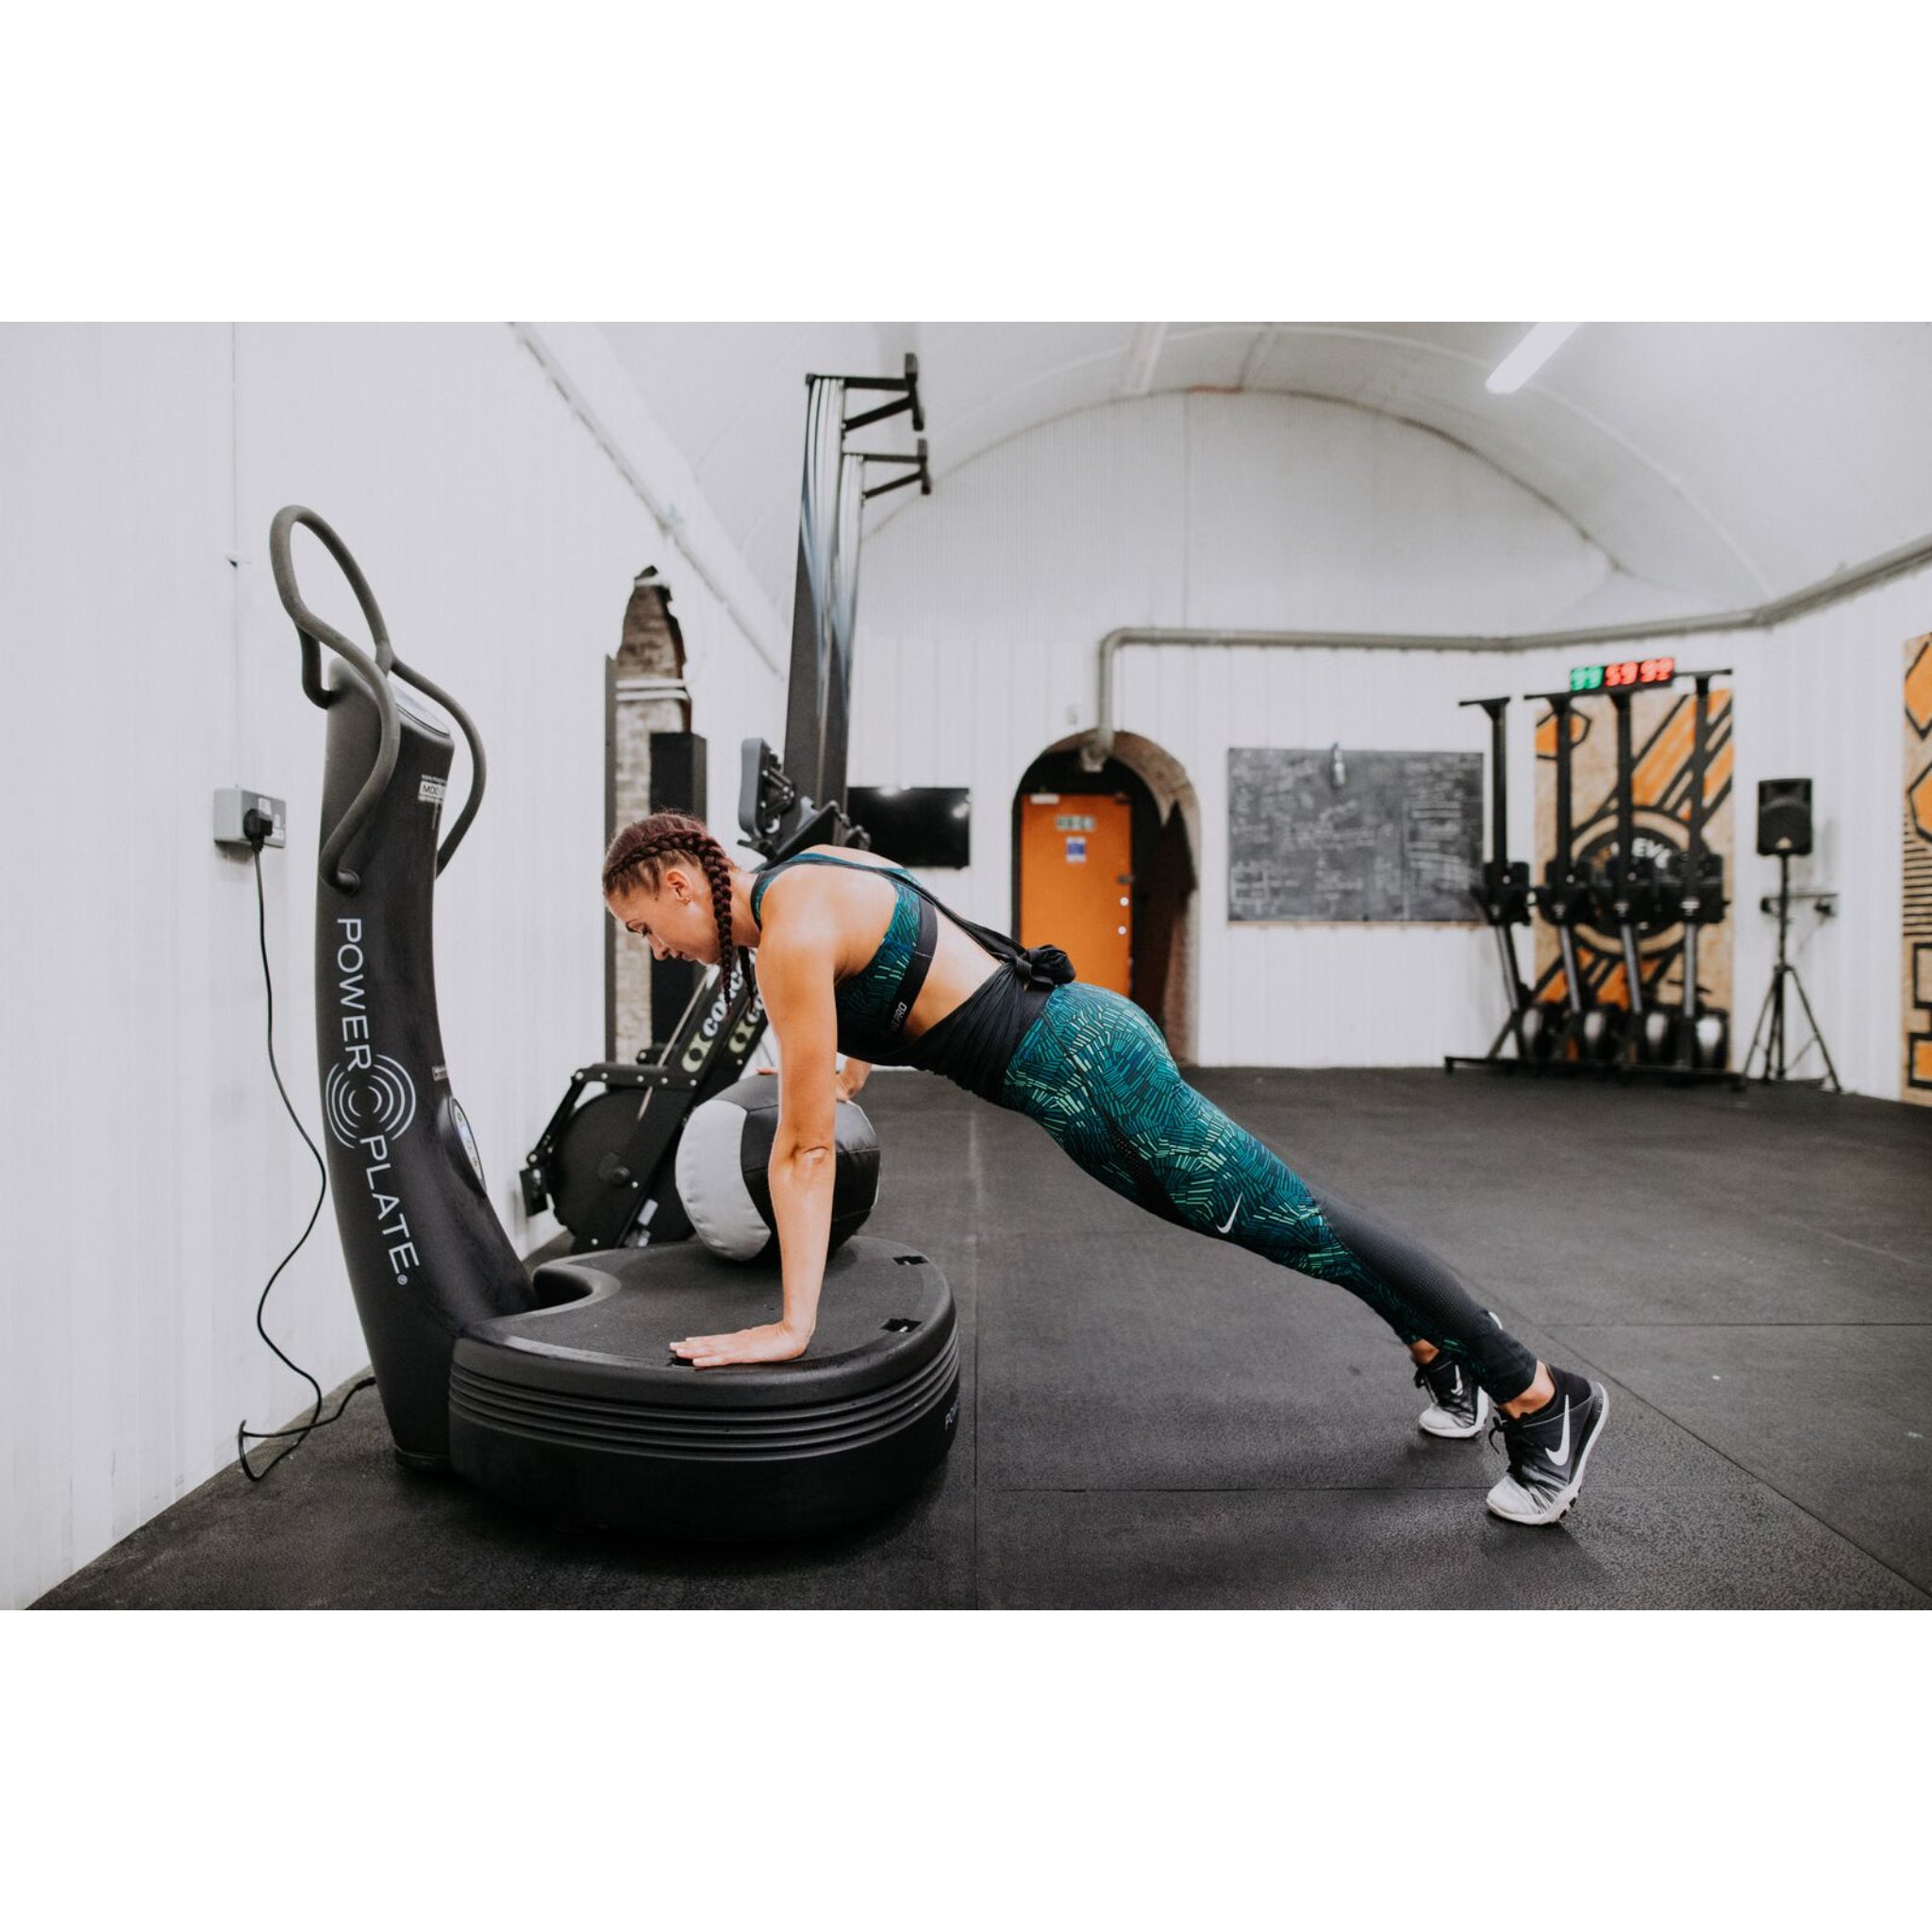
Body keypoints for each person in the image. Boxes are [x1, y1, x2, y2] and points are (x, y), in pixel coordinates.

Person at [603, 811, 1609, 1527]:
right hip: (1075, 1053)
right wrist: (844, 1059)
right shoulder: (807, 876)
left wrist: (792, 1323)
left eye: (646, 927)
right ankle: (1439, 1355)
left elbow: (805, 1147)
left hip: (1086, 1072)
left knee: (1299, 1221)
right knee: (1290, 1224)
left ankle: (1536, 1392)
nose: (655, 949)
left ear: (683, 883)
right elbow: (911, 972)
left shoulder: (787, 931)